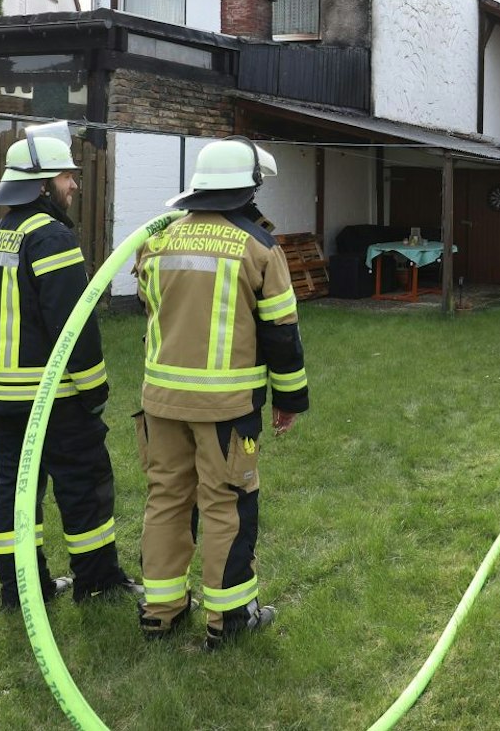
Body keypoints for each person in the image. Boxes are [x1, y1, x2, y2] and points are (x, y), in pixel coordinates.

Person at [134, 137, 308, 649]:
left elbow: (152, 309)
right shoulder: (258, 248)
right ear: (249, 188)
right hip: (226, 409)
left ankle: (160, 611)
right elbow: (281, 331)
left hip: (160, 402)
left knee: (165, 498)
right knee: (225, 504)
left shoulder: (157, 241)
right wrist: (290, 399)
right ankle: (229, 619)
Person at [0, 128, 137, 609]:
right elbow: (74, 327)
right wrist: (94, 390)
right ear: (42, 185)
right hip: (53, 397)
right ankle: (97, 583)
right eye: (67, 175)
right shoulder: (52, 236)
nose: (74, 186)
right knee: (83, 486)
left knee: (16, 495)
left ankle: (21, 591)